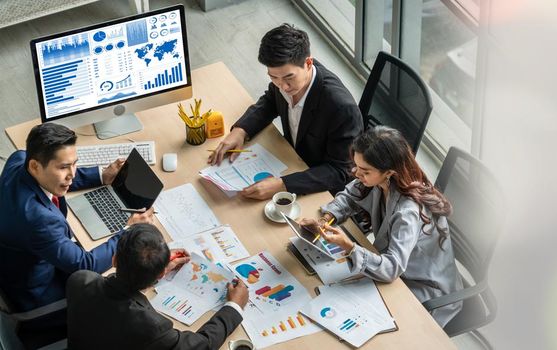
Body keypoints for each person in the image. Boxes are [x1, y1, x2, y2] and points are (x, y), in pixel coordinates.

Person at [298, 126, 463, 326]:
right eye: (356, 166)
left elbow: (392, 268)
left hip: (422, 286)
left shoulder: (408, 213)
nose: (355, 173)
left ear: (389, 172)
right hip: (394, 269)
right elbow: (349, 196)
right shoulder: (379, 180)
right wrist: (327, 218)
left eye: (364, 171)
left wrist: (349, 247)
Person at [0, 123, 152, 325]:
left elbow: (63, 177)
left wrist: (101, 175)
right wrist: (129, 232)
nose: (71, 174)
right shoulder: (37, 219)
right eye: (63, 167)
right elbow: (85, 265)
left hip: (20, 259)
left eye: (74, 164)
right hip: (38, 293)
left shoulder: (19, 159)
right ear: (35, 166)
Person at [208, 23, 363, 198]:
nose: (282, 86)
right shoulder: (285, 80)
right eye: (273, 77)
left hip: (320, 186)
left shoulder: (342, 108)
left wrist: (283, 185)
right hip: (291, 160)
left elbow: (340, 171)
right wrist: (240, 131)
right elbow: (270, 100)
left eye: (289, 77)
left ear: (308, 63)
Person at [66, 223, 249, 349]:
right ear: (162, 274)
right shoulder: (153, 328)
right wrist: (234, 307)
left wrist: (149, 270)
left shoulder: (80, 280)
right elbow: (202, 345)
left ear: (114, 260)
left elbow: (115, 286)